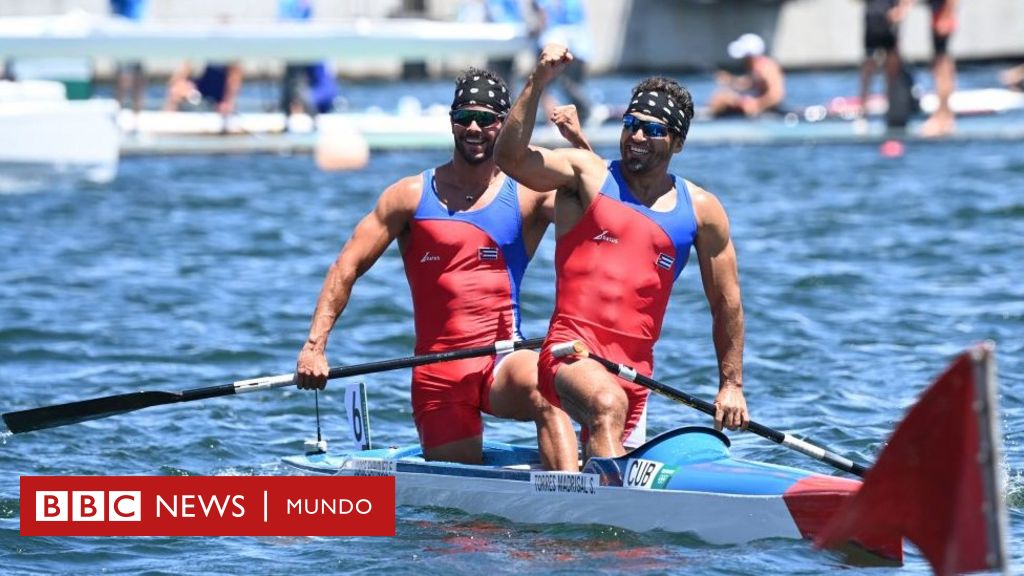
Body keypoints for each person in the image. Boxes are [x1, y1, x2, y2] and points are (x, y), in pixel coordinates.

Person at [295, 68, 588, 470]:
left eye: (486, 119)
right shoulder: (409, 196)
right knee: (463, 528)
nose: (473, 127)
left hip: (501, 359)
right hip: (436, 372)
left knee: (545, 388)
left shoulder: (528, 196)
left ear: (504, 125)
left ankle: (571, 502)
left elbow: (604, 212)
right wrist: (315, 347)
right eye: (464, 116)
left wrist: (579, 145)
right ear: (451, 121)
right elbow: (347, 266)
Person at [495, 44, 750, 470]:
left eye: (652, 129)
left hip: (636, 373)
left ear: (678, 142)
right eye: (630, 123)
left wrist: (731, 385)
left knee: (609, 437)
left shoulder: (704, 211)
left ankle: (583, 524)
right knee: (606, 405)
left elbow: (727, 304)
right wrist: (538, 82)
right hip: (568, 351)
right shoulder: (585, 174)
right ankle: (608, 531)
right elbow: (510, 159)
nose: (635, 136)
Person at [530, 0, 592, 123]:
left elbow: (544, 14)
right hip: (579, 42)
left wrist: (535, 31)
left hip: (554, 40)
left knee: (541, 85)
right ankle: (581, 117)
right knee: (572, 85)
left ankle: (553, 122)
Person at [278, 0, 339, 118]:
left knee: (296, 84)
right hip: (298, 46)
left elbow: (326, 88)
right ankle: (290, 112)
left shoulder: (316, 52)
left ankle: (300, 112)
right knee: (292, 84)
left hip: (301, 46)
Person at [708, 33, 786, 118]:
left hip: (767, 109)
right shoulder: (755, 69)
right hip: (756, 104)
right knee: (720, 97)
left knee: (722, 99)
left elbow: (777, 95)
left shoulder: (766, 69)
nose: (743, 60)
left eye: (745, 57)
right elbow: (747, 84)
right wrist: (730, 80)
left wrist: (757, 104)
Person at [859, 0, 914, 120]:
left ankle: (891, 106)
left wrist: (901, 11)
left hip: (889, 21)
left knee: (892, 67)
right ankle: (863, 109)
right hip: (873, 19)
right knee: (869, 66)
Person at [920, 0, 958, 137]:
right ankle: (944, 114)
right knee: (939, 65)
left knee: (942, 67)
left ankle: (944, 116)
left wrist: (946, 16)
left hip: (942, 18)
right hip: (938, 16)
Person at [163, 61, 244, 122]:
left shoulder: (228, 50)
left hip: (217, 102)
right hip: (196, 97)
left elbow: (235, 74)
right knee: (176, 93)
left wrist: (227, 101)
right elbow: (181, 74)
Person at [109, 0, 148, 115]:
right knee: (122, 78)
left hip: (136, 33)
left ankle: (136, 117)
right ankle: (118, 113)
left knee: (137, 77)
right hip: (121, 33)